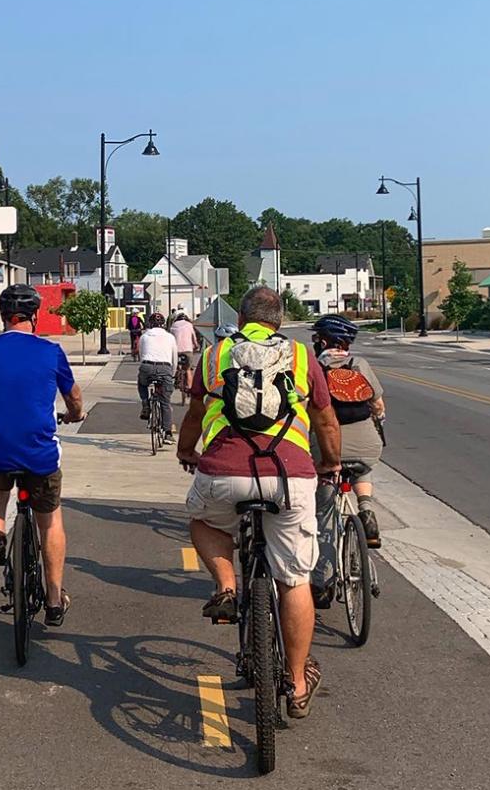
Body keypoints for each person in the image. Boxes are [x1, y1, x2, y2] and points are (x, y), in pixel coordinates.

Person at [177, 286, 341, 720]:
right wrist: (330, 463)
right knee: (294, 579)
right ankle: (298, 682)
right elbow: (325, 419)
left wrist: (186, 451)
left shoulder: (214, 356)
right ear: (280, 320)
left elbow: (195, 414)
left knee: (204, 523)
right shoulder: (302, 356)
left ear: (243, 315)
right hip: (289, 476)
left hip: (225, 472)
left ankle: (227, 587)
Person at [0, 283, 85, 627]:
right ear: (34, 316)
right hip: (39, 452)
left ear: (3, 317)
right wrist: (76, 415)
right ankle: (53, 598)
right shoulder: (51, 351)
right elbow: (73, 396)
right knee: (50, 520)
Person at [309, 315, 386, 599]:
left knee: (324, 514)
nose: (315, 343)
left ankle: (323, 584)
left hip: (330, 448)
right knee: (362, 467)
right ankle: (365, 509)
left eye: (317, 338)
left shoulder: (314, 368)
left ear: (326, 341)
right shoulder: (360, 365)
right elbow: (378, 405)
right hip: (367, 445)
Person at [137, 312, 178, 438]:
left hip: (147, 366)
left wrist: (144, 368)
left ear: (150, 323)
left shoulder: (144, 336)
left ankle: (145, 403)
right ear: (163, 324)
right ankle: (168, 433)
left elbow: (141, 355)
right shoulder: (170, 337)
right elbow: (174, 358)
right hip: (165, 368)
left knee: (142, 383)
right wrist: (173, 374)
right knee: (165, 402)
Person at [170, 308, 200, 389]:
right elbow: (194, 338)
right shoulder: (189, 325)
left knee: (175, 365)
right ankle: (190, 387)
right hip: (188, 350)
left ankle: (176, 374)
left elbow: (170, 338)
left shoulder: (173, 325)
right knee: (188, 369)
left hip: (176, 350)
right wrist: (196, 346)